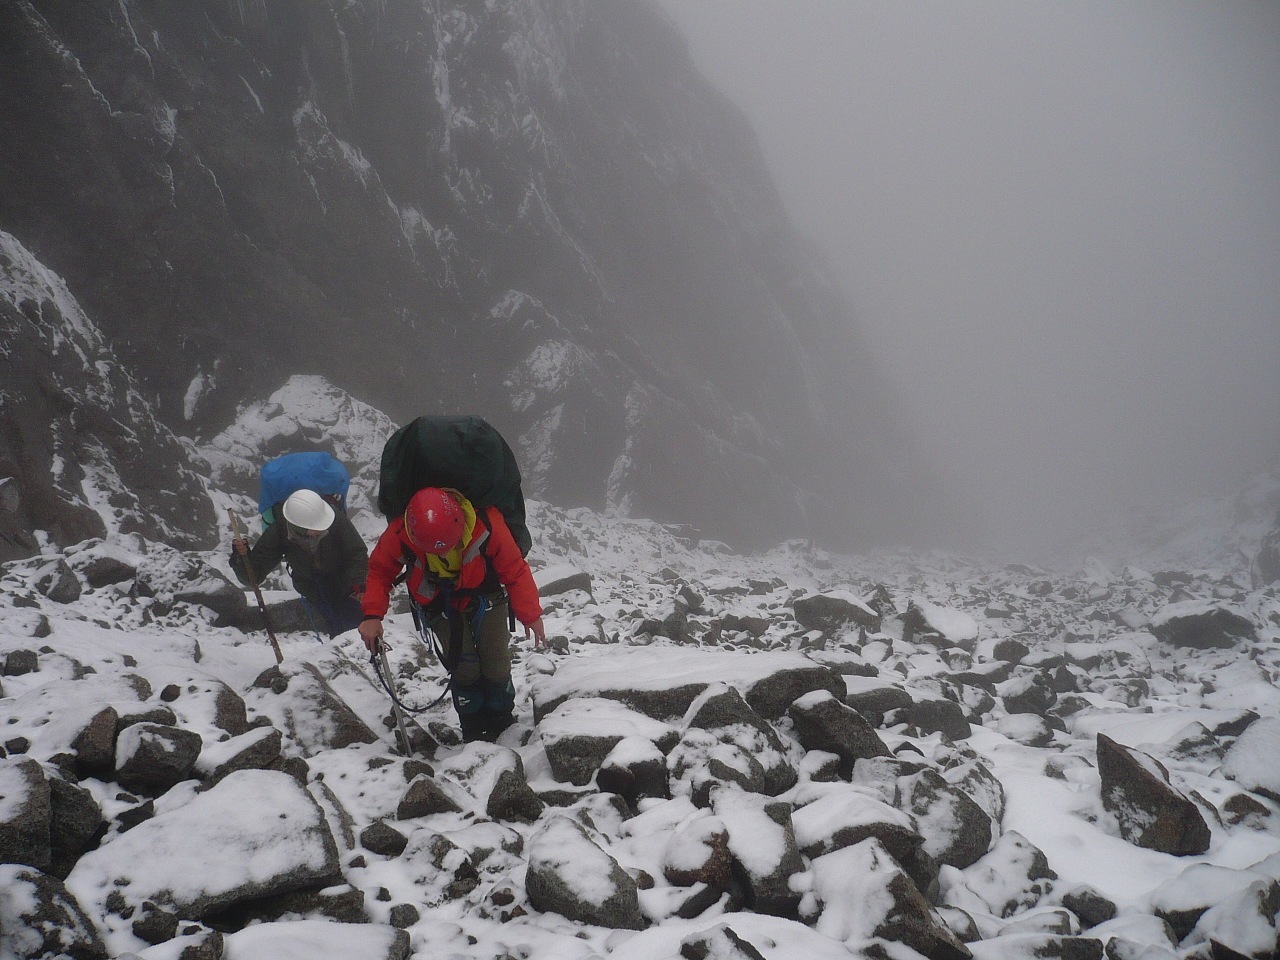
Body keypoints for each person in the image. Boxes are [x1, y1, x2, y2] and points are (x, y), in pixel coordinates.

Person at [359, 486, 546, 742]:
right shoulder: (400, 533)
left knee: (496, 663)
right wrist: (372, 615)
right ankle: (473, 725)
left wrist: (531, 614)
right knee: (465, 669)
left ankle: (502, 718)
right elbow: (380, 572)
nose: (446, 553)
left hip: (485, 596)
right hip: (440, 603)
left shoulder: (486, 523)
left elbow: (515, 570)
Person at [230, 489, 369, 639]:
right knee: (334, 625)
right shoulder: (281, 530)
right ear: (298, 526)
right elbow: (253, 575)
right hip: (313, 587)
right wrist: (241, 557)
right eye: (314, 526)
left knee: (354, 624)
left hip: (345, 583)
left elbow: (357, 553)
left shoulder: (333, 518)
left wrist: (358, 586)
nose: (321, 528)